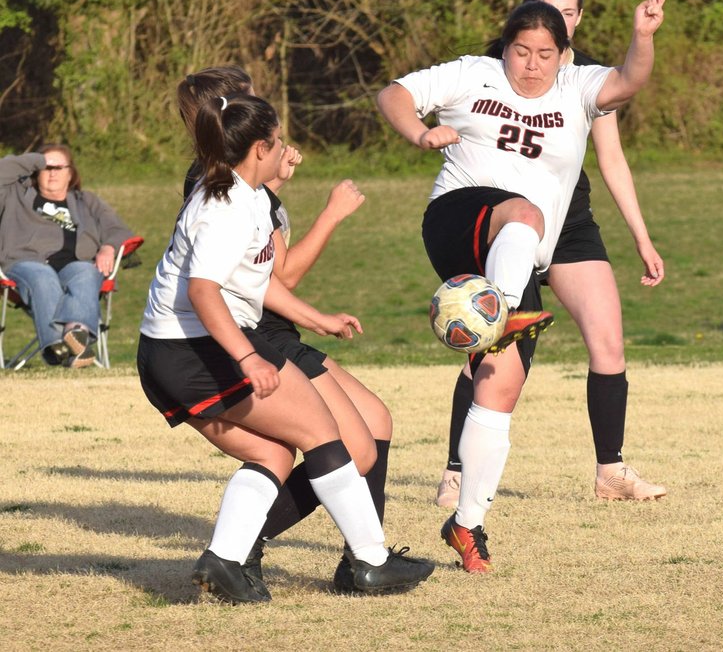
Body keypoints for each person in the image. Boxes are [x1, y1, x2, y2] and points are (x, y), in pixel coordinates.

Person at [377, 0, 665, 573]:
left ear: (563, 53)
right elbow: (394, 94)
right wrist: (419, 132)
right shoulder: (473, 74)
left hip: (520, 251)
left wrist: (643, 36)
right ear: (504, 48)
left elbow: (630, 80)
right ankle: (504, 310)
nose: (531, 64)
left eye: (543, 54)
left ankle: (467, 524)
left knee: (500, 383)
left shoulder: (578, 87)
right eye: (520, 51)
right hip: (459, 218)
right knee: (525, 212)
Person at [138, 91, 433, 603]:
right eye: (278, 143)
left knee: (274, 452)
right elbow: (202, 291)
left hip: (182, 349)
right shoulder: (225, 205)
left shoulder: (249, 195)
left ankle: (225, 560)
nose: (285, 152)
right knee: (324, 432)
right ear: (258, 148)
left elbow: (254, 282)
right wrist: (249, 357)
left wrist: (316, 319)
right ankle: (369, 561)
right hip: (192, 348)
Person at [434, 0, 667, 508]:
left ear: (578, 19)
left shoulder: (586, 78)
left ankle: (610, 471)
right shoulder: (497, 70)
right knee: (496, 342)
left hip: (569, 221)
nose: (556, 20)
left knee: (608, 339)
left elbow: (610, 156)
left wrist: (642, 236)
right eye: (546, 9)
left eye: (567, 12)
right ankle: (455, 471)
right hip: (508, 218)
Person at [177, 68, 394, 594]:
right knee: (348, 448)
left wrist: (275, 183)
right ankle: (254, 547)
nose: (266, 115)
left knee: (376, 423)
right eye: (252, 101)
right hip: (261, 334)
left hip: (277, 328)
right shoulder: (219, 186)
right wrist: (332, 214)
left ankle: (363, 555)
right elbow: (282, 275)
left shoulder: (250, 185)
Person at [0, 145, 133, 367]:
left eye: (58, 167)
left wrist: (108, 247)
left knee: (87, 271)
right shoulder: (17, 195)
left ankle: (76, 334)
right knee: (42, 275)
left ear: (70, 173)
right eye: (45, 167)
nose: (52, 172)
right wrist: (36, 159)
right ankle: (58, 347)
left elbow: (118, 230)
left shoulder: (86, 201)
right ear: (36, 170)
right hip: (25, 263)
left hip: (73, 264)